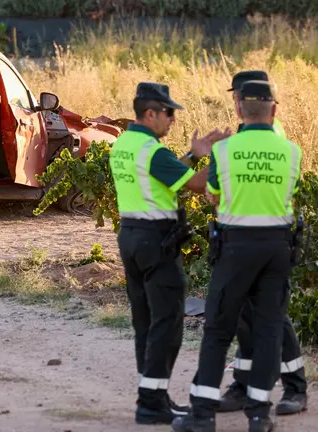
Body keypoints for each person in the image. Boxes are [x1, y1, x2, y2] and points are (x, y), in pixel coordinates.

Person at [172, 80, 303, 432]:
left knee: (217, 330)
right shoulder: (291, 151)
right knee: (268, 330)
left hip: (236, 246)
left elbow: (212, 195)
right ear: (274, 110)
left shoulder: (224, 151)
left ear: (240, 110)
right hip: (277, 248)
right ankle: (260, 416)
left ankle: (201, 417)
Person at [110, 82, 230, 425]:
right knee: (167, 321)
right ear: (150, 114)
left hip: (131, 236)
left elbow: (163, 177)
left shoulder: (125, 144)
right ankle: (152, 402)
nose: (173, 120)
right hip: (156, 241)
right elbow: (196, 185)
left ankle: (151, 397)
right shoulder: (152, 151)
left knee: (144, 320)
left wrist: (193, 155)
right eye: (169, 113)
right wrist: (222, 157)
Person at [218, 70, 309, 416]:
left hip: (264, 239)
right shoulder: (247, 133)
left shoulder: (270, 135)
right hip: (246, 238)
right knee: (247, 317)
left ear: (246, 101)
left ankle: (295, 388)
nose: (234, 102)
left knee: (274, 318)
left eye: (236, 96)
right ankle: (243, 385)